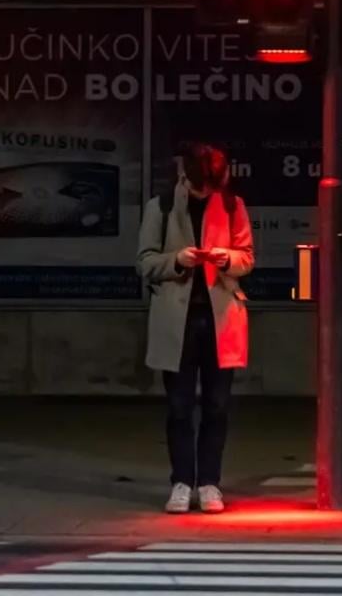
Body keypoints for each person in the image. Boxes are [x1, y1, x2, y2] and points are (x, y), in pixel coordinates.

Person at [137, 143, 254, 514]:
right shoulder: (161, 206)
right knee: (179, 406)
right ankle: (182, 482)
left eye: (210, 188)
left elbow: (247, 258)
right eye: (198, 187)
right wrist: (178, 259)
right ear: (184, 176)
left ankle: (209, 483)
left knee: (217, 405)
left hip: (221, 318)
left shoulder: (233, 206)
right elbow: (144, 262)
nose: (204, 194)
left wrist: (226, 259)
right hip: (178, 320)